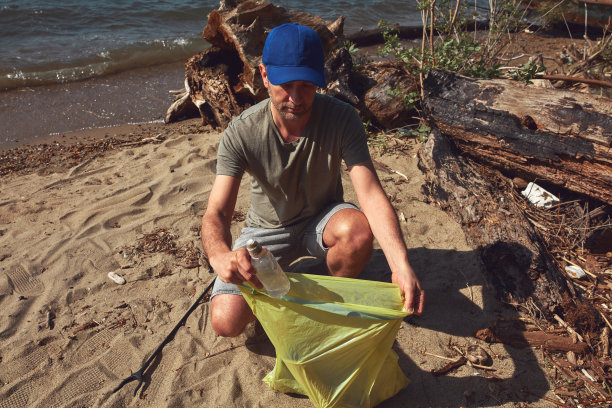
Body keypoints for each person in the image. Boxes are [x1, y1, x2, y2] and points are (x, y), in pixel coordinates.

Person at [201, 22, 425, 337]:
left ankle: (322, 288)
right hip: (266, 232)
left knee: (358, 232)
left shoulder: (342, 119)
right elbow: (217, 212)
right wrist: (219, 256)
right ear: (264, 75)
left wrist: (400, 264)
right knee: (226, 322)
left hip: (323, 219)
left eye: (306, 84)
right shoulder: (242, 131)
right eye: (286, 83)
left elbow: (371, 195)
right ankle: (290, 281)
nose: (296, 97)